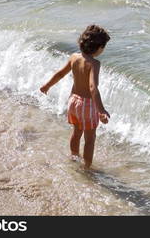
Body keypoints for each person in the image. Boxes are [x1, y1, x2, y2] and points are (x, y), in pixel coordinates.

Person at [39, 24, 111, 169]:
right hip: (87, 105)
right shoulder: (94, 64)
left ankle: (74, 157)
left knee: (76, 132)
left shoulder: (74, 57)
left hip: (73, 101)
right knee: (90, 139)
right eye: (103, 47)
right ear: (98, 48)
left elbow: (60, 74)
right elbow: (92, 87)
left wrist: (47, 85)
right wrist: (101, 110)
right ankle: (87, 168)